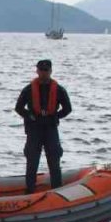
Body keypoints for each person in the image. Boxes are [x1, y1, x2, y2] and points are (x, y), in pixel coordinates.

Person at [14, 59, 72, 194]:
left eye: (46, 70)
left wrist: (56, 116)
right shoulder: (29, 89)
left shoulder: (59, 90)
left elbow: (67, 108)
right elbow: (19, 108)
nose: (43, 73)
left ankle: (56, 191)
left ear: (50, 71)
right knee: (32, 162)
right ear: (37, 71)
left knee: (54, 161)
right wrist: (29, 116)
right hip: (34, 129)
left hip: (50, 129)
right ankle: (30, 191)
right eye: (41, 70)